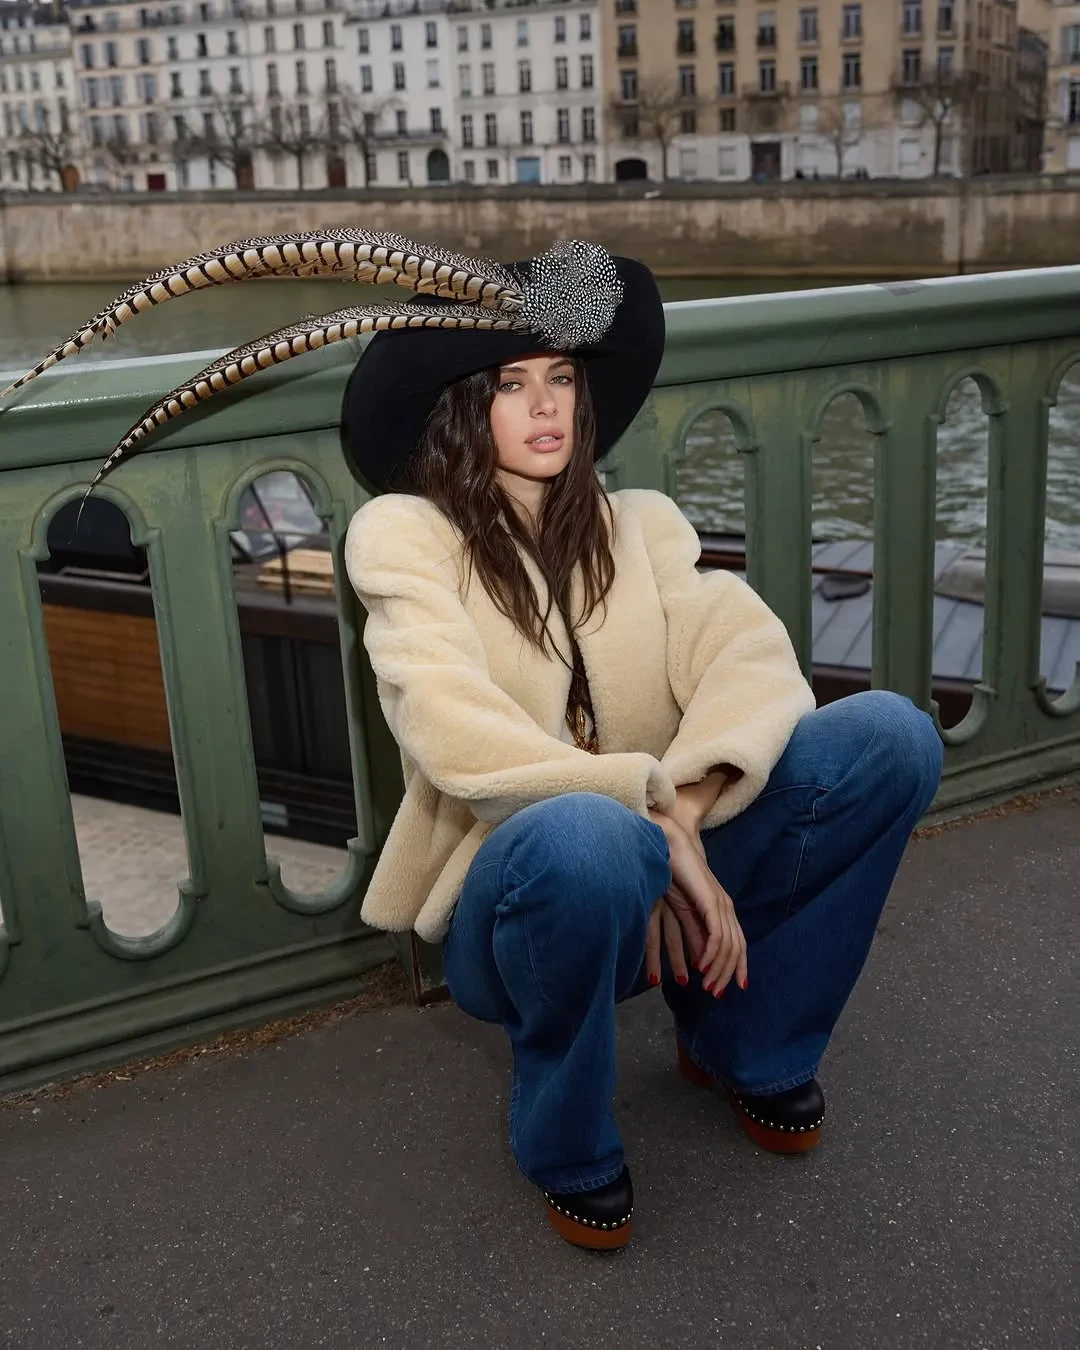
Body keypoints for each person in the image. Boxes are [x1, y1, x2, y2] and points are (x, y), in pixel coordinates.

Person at [2, 230, 944, 1252]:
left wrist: (684, 818)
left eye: (561, 378)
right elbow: (451, 729)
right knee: (589, 836)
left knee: (890, 737)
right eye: (510, 383)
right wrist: (648, 818)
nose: (546, 406)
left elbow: (752, 659)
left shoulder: (643, 526)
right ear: (463, 405)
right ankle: (567, 1141)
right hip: (522, 909)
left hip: (666, 870)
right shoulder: (407, 539)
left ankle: (745, 1044)